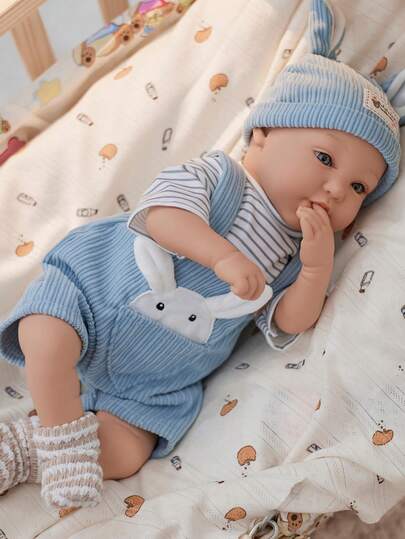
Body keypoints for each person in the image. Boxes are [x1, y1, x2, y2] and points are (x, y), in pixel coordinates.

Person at [0, 0, 401, 510]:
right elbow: (162, 216)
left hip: (153, 383)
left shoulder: (294, 254)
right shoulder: (219, 175)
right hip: (93, 299)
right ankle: (61, 439)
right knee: (44, 334)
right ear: (262, 135)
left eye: (360, 187)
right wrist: (221, 258)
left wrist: (317, 268)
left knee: (127, 452)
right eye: (324, 158)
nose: (337, 189)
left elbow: (290, 322)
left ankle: (26, 448)